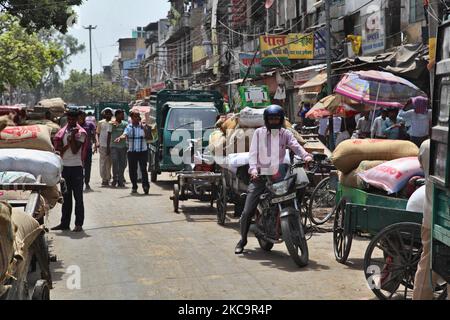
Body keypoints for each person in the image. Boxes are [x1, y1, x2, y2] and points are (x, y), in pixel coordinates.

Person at [234, 105, 313, 254]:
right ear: (266, 120)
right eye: (271, 119)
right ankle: (242, 239)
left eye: (277, 118)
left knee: (300, 185)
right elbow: (253, 153)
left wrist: (306, 156)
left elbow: (296, 146)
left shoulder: (286, 133)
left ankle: (293, 220)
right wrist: (253, 170)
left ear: (281, 120)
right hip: (261, 175)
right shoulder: (259, 133)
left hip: (280, 174)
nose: (274, 121)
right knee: (247, 210)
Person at [51, 109, 87, 232]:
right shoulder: (62, 132)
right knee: (66, 198)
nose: (71, 121)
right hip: (65, 167)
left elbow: (76, 150)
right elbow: (60, 150)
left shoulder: (81, 133)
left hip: (76, 167)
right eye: (69, 119)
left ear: (77, 119)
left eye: (73, 119)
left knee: (78, 198)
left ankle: (78, 224)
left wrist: (72, 139)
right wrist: (69, 140)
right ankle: (64, 223)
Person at [115, 110, 151, 194]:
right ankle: (134, 186)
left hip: (143, 151)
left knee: (143, 169)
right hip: (132, 152)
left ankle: (145, 186)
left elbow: (149, 137)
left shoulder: (144, 126)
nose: (137, 118)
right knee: (132, 170)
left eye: (138, 116)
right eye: (135, 116)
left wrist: (145, 128)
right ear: (131, 118)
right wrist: (120, 138)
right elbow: (125, 134)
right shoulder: (129, 127)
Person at [78, 111, 96, 191]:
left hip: (88, 148)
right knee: (79, 166)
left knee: (88, 166)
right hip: (78, 149)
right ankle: (79, 181)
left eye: (82, 116)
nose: (81, 118)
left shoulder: (90, 125)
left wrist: (95, 144)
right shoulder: (75, 125)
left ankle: (87, 182)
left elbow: (94, 134)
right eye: (80, 117)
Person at [110, 109, 129, 187]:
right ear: (116, 115)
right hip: (114, 146)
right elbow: (109, 133)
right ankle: (115, 179)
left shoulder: (125, 124)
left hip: (123, 146)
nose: (122, 116)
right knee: (115, 162)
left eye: (123, 114)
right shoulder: (112, 123)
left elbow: (127, 133)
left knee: (122, 164)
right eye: (121, 114)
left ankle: (120, 180)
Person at [96, 108, 113, 186]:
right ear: (104, 114)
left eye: (109, 113)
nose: (108, 115)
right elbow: (97, 133)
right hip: (102, 145)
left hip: (111, 145)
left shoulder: (113, 123)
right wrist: (97, 142)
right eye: (106, 113)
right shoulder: (100, 122)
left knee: (109, 163)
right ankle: (104, 179)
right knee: (103, 162)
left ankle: (108, 177)